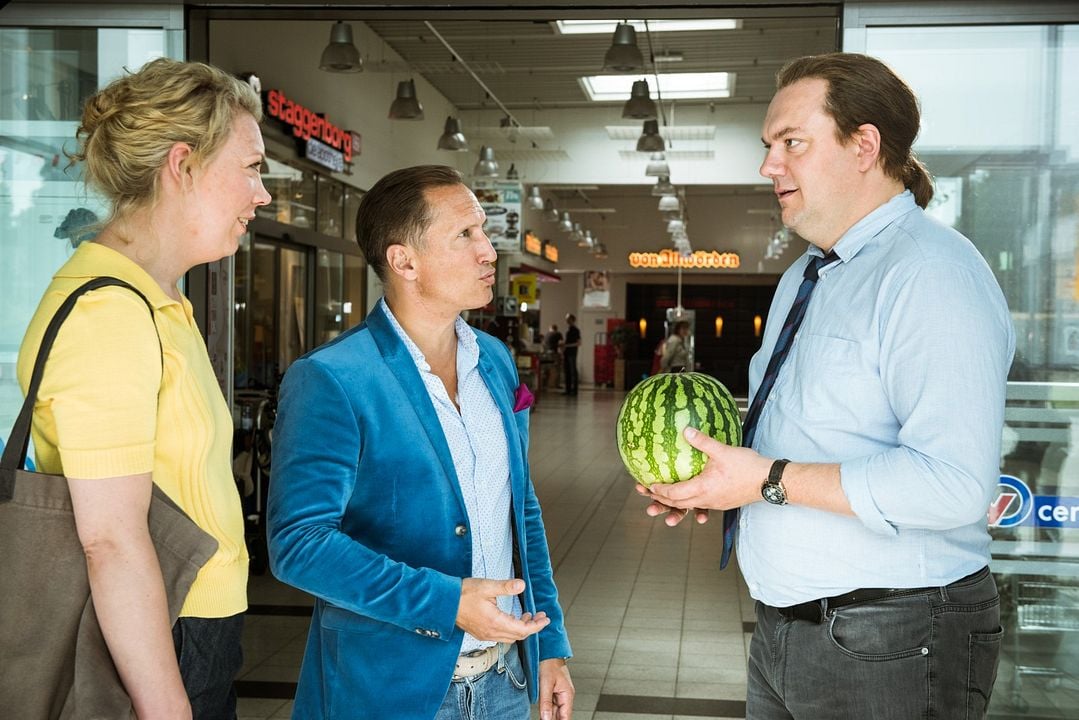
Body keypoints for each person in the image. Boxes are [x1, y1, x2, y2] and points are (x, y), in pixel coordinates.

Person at [639, 52, 1014, 719]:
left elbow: (954, 484)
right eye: (767, 146)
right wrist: (717, 480)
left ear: (863, 145)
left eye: (791, 143)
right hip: (787, 629)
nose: (767, 166)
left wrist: (767, 479)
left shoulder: (928, 274)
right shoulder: (806, 277)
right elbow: (802, 432)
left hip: (895, 639)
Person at [267, 165, 574, 720]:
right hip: (388, 690)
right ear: (403, 260)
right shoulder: (334, 378)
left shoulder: (495, 363)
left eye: (483, 231)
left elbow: (519, 510)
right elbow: (299, 544)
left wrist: (548, 644)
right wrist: (446, 602)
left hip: (503, 680)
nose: (489, 251)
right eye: (466, 235)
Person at [15, 58, 270, 718]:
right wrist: (167, 707)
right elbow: (111, 539)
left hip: (191, 623)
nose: (262, 194)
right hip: (164, 636)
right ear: (182, 164)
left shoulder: (154, 299)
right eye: (250, 167)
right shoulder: (110, 314)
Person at [561, 313, 581, 396]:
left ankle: (574, 390)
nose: (566, 320)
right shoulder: (568, 330)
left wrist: (566, 345)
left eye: (568, 319)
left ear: (572, 320)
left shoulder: (576, 330)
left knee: (573, 371)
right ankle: (568, 390)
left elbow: (578, 343)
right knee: (567, 371)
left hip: (572, 353)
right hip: (567, 352)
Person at [542, 323, 563, 388]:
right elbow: (561, 343)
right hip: (554, 354)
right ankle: (556, 385)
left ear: (550, 328)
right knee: (556, 369)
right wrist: (562, 353)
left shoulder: (547, 334)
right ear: (556, 329)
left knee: (546, 370)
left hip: (546, 354)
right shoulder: (558, 334)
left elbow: (543, 344)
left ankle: (545, 384)